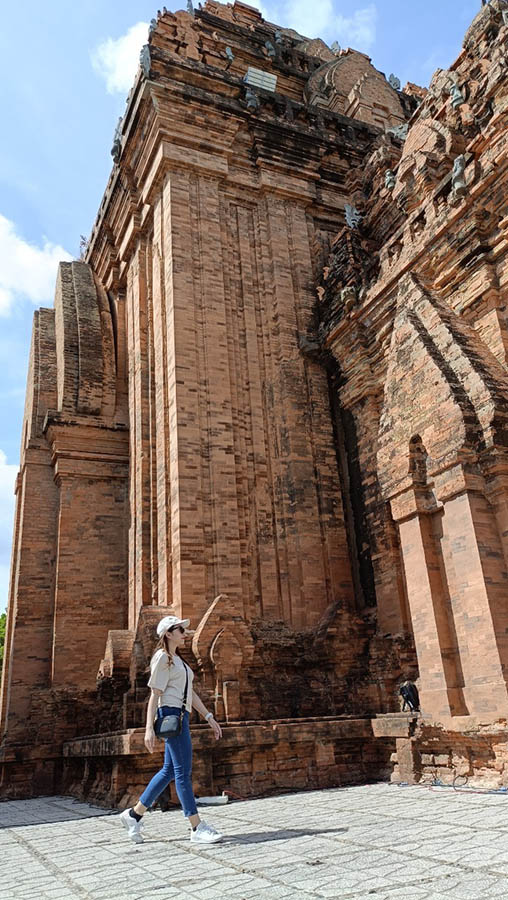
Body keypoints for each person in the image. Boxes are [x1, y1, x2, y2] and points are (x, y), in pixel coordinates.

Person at [119, 615, 223, 844]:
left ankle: (134, 814)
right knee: (182, 772)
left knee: (168, 770)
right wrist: (148, 729)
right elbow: (154, 695)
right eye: (180, 630)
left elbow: (190, 693)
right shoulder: (162, 658)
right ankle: (196, 827)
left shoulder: (179, 661)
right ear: (168, 633)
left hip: (181, 716)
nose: (185, 634)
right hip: (169, 716)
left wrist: (209, 717)